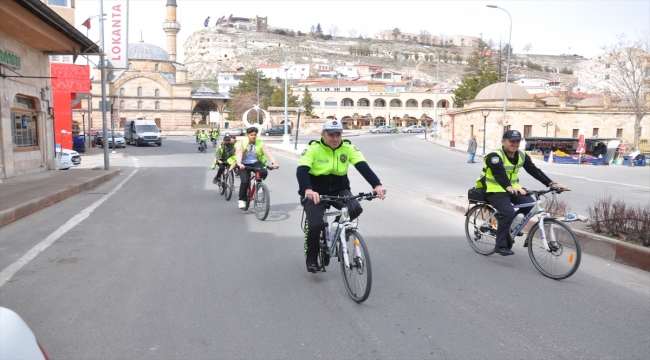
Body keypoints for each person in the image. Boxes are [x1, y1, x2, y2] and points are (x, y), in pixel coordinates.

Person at [297, 120, 387, 273]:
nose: (334, 138)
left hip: (339, 189)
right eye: (330, 135)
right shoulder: (313, 148)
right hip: (316, 191)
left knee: (355, 208)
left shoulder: (348, 148)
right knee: (316, 225)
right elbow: (302, 170)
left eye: (338, 134)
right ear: (322, 135)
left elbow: (363, 167)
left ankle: (336, 230)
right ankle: (311, 258)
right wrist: (308, 190)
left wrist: (376, 185)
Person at [475, 130, 568, 256]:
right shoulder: (495, 156)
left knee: (530, 204)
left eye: (517, 141)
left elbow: (534, 170)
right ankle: (500, 244)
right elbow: (499, 175)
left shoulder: (522, 155)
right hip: (493, 189)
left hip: (513, 188)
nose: (514, 144)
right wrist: (509, 188)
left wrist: (551, 183)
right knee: (507, 212)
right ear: (503, 141)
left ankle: (511, 227)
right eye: (511, 141)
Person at [235, 127, 279, 209]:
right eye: (251, 135)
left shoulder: (260, 142)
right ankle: (242, 200)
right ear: (247, 135)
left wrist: (274, 162)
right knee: (245, 181)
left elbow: (267, 152)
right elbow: (239, 152)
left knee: (264, 172)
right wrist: (239, 163)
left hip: (255, 163)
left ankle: (259, 186)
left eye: (255, 135)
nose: (253, 136)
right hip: (243, 164)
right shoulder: (242, 142)